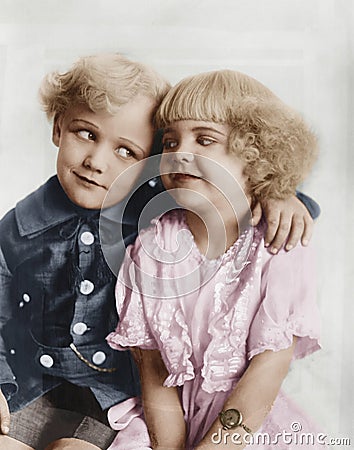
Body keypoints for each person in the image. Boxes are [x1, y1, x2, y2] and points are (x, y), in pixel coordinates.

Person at [0, 54, 318, 450]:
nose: (95, 162)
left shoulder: (172, 215)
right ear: (58, 128)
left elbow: (226, 189)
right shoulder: (146, 242)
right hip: (53, 394)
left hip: (168, 412)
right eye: (170, 142)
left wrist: (284, 197)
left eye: (126, 152)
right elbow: (151, 364)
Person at [107, 69, 322, 449]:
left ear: (256, 157)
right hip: (163, 425)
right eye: (170, 141)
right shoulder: (150, 247)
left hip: (244, 426)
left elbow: (267, 371)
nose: (181, 153)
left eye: (204, 139)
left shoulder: (280, 247)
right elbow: (154, 372)